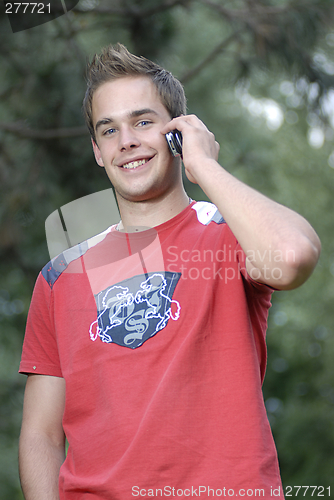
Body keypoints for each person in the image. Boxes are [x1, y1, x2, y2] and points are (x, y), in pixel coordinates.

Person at [18, 43, 321, 500]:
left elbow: (294, 254)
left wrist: (203, 164)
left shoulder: (229, 236)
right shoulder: (61, 275)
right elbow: (41, 434)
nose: (127, 142)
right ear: (97, 151)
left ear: (178, 132)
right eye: (109, 130)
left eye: (143, 122)